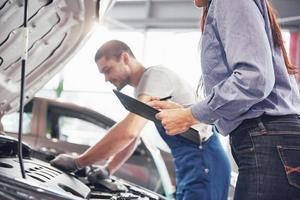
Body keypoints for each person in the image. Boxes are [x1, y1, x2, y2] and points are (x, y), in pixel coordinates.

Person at [148, 0, 300, 200]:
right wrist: (187, 110)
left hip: (268, 137)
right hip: (268, 137)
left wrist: (190, 115)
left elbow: (254, 79)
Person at [50, 40, 231, 200]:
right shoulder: (144, 89)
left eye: (108, 70)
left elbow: (129, 131)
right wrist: (108, 169)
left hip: (204, 160)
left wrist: (79, 161)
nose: (106, 79)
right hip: (190, 163)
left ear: (125, 58)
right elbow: (134, 138)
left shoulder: (155, 77)